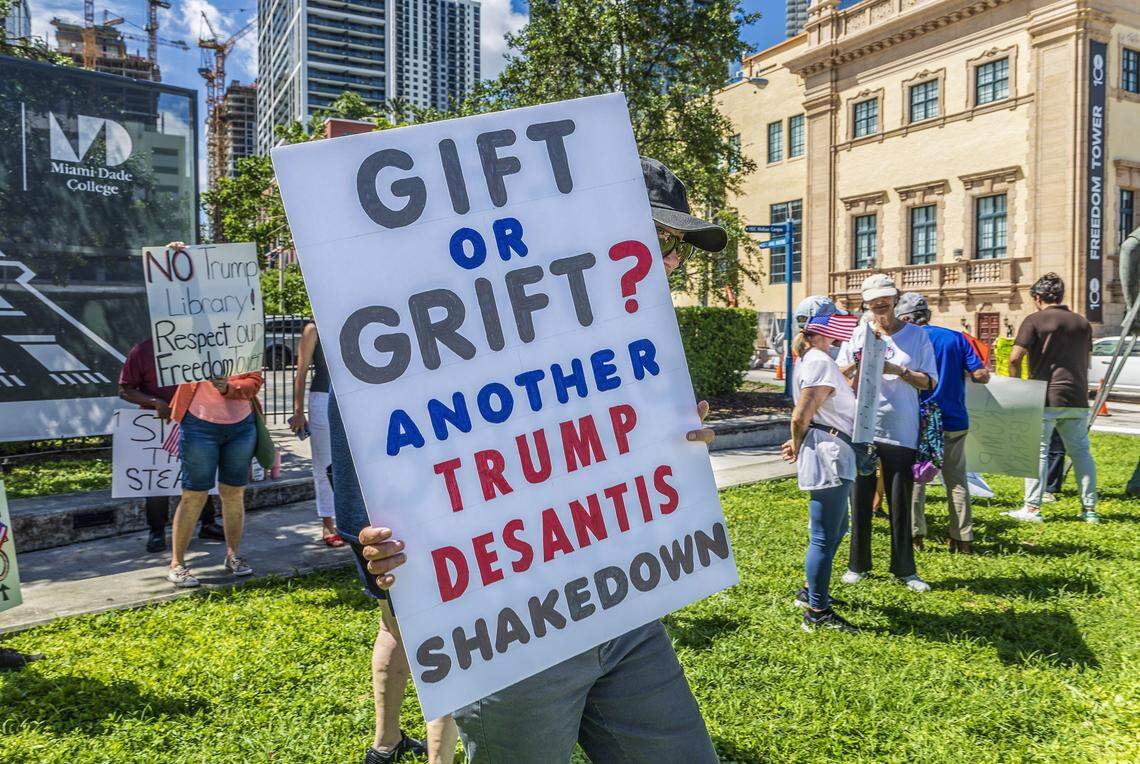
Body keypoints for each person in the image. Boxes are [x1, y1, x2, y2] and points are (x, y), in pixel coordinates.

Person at [357, 157, 723, 762]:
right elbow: (398, 478)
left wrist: (675, 456)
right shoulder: (457, 332)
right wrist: (388, 552)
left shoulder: (640, 344)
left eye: (675, 247)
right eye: (655, 237)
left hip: (625, 609)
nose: (666, 262)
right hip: (515, 630)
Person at [837, 274, 937, 592]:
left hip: (901, 427)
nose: (880, 309)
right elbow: (838, 376)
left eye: (885, 303)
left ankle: (905, 568)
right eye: (874, 304)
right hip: (864, 425)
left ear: (895, 300)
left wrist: (900, 371)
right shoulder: (857, 334)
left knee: (899, 498)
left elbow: (930, 381)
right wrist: (854, 364)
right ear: (865, 304)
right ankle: (858, 564)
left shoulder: (916, 336)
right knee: (860, 498)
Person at [895, 293, 990, 554]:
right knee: (957, 479)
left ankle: (915, 537)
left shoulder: (908, 341)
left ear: (906, 318)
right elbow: (981, 375)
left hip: (920, 418)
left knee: (916, 477)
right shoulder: (956, 337)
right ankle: (963, 539)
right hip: (954, 418)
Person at [782, 315, 859, 632]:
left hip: (830, 446)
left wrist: (798, 439)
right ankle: (816, 611)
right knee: (824, 535)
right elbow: (802, 413)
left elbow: (812, 414)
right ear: (820, 334)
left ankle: (811, 592)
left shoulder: (816, 360)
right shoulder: (818, 360)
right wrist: (798, 442)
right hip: (829, 451)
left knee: (837, 526)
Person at [1006, 273, 1098, 523]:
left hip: (1044, 396)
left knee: (1038, 452)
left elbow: (1014, 358)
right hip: (1077, 396)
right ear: (1060, 296)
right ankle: (1090, 510)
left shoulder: (1034, 320)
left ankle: (1032, 508)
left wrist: (1017, 387)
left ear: (1037, 298)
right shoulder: (1082, 323)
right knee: (1082, 454)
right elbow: (1086, 361)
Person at [119, 337, 225, 552]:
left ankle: (208, 523)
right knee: (158, 478)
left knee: (201, 473)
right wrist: (155, 402)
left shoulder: (200, 347)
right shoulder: (142, 350)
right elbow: (125, 389)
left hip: (196, 418)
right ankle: (157, 531)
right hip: (158, 424)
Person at [288, 322, 343, 547]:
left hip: (353, 398)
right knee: (324, 463)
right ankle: (328, 523)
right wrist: (298, 411)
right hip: (323, 397)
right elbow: (300, 373)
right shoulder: (314, 329)